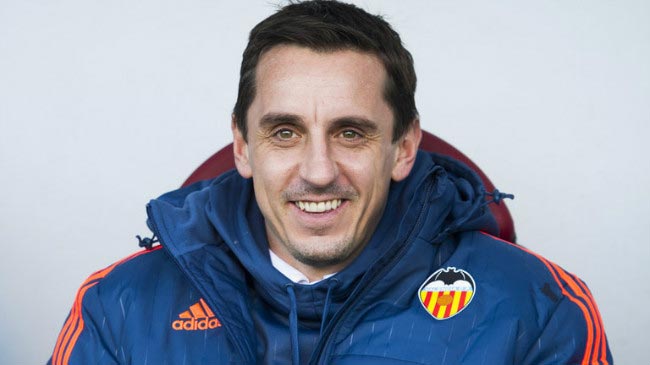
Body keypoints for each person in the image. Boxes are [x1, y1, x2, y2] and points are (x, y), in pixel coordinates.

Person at [49, 1, 613, 364]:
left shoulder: (535, 308)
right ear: (243, 147)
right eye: (286, 132)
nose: (319, 171)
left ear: (404, 147)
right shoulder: (119, 308)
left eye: (350, 133)